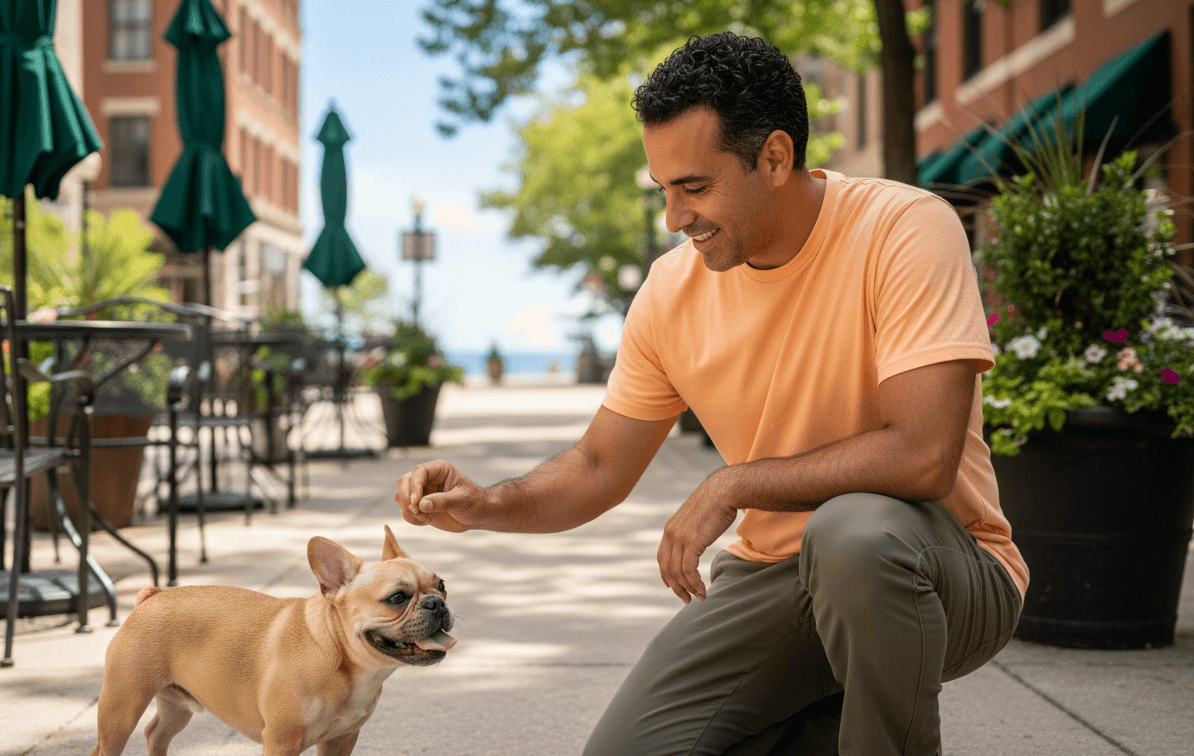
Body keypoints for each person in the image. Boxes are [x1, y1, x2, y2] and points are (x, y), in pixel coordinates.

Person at [395, 32, 1026, 756]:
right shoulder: (670, 291)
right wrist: (487, 506)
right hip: (775, 579)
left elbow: (923, 457)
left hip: (943, 572)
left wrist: (734, 484)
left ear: (776, 157)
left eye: (695, 187)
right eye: (664, 189)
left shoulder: (904, 229)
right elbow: (601, 467)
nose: (674, 217)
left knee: (852, 532)